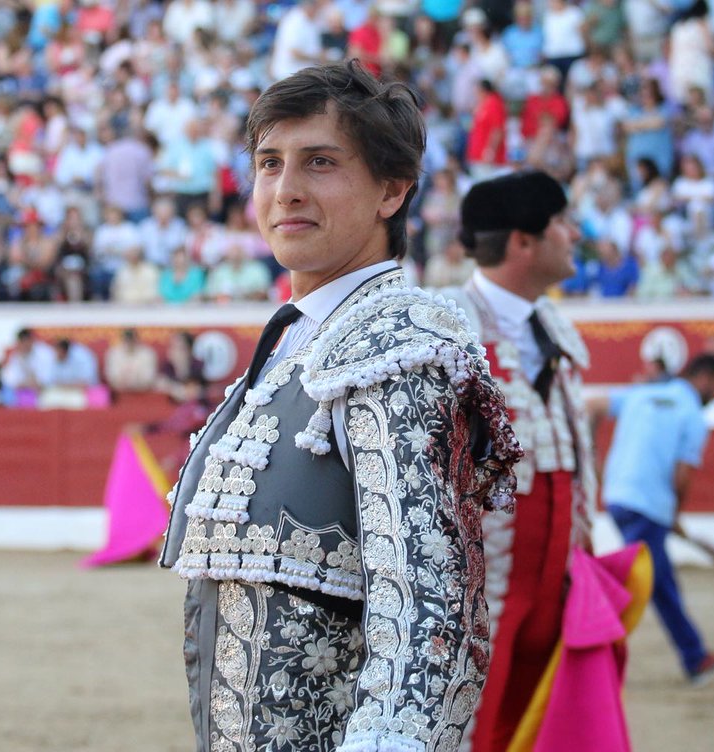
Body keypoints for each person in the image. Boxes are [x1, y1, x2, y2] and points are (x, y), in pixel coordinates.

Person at [159, 62, 522, 752]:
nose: (285, 190)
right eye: (269, 164)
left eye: (319, 163)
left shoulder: (400, 351)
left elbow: (430, 616)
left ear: (392, 190)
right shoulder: (300, 341)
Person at [446, 170, 597, 752]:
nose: (575, 234)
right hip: (474, 596)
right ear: (523, 242)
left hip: (556, 585)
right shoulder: (446, 326)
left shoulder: (554, 327)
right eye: (562, 221)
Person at [599, 354, 714, 683]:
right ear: (705, 377)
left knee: (659, 582)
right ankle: (584, 651)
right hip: (650, 505)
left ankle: (694, 655)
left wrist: (590, 458)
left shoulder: (642, 393)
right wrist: (674, 514)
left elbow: (591, 405)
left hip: (618, 497)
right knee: (631, 583)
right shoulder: (692, 415)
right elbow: (682, 475)